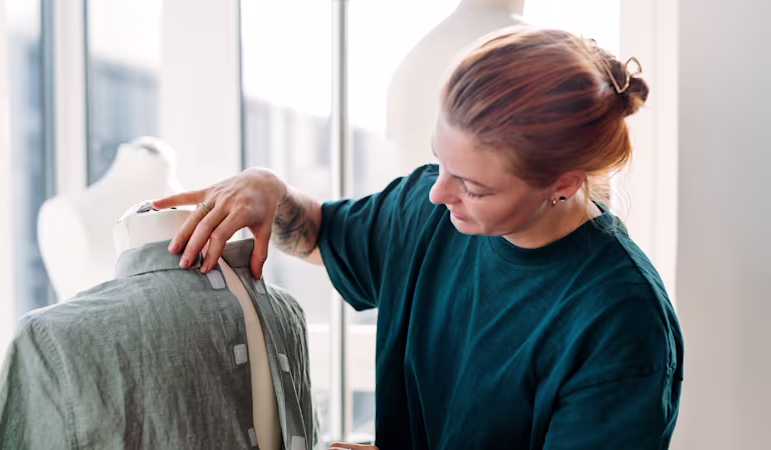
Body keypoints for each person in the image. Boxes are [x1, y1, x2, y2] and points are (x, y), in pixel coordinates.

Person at [152, 28, 683, 449]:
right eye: (439, 161)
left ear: (564, 184)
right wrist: (270, 191)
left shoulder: (622, 326)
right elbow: (318, 234)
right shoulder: (424, 207)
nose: (437, 193)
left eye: (473, 186)